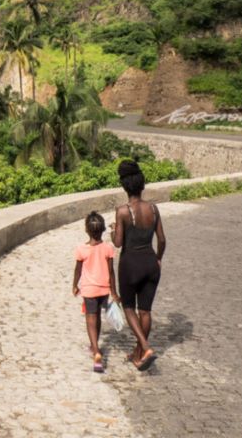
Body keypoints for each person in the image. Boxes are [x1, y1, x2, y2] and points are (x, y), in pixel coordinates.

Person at [111, 159, 166, 371]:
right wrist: (158, 258)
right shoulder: (153, 209)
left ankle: (145, 346)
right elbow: (161, 240)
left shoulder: (123, 211)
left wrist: (113, 230)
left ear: (125, 186)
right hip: (151, 262)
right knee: (145, 310)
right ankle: (138, 353)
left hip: (130, 264)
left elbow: (117, 243)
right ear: (141, 184)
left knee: (128, 307)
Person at [72, 211, 119, 373]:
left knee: (90, 319)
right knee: (97, 316)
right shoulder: (108, 248)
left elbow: (77, 271)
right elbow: (111, 272)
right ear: (103, 230)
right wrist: (114, 292)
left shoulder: (81, 249)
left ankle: (96, 351)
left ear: (86, 230)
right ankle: (94, 346)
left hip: (89, 290)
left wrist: (74, 285)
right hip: (103, 289)